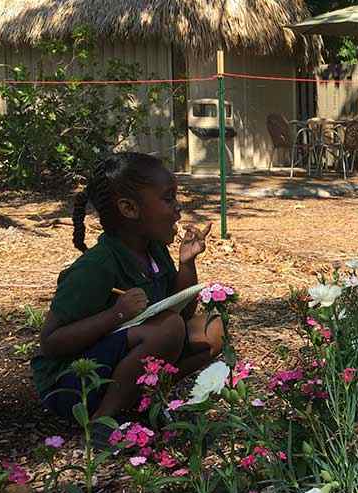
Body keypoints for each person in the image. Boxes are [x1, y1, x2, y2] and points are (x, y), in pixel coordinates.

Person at [31, 152, 223, 430]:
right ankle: (103, 421)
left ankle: (141, 401)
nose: (178, 209)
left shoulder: (153, 251)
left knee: (212, 327)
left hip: (124, 361)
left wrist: (186, 264)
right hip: (72, 385)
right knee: (168, 329)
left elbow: (180, 314)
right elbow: (50, 343)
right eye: (168, 199)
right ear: (130, 209)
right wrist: (116, 314)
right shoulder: (96, 267)